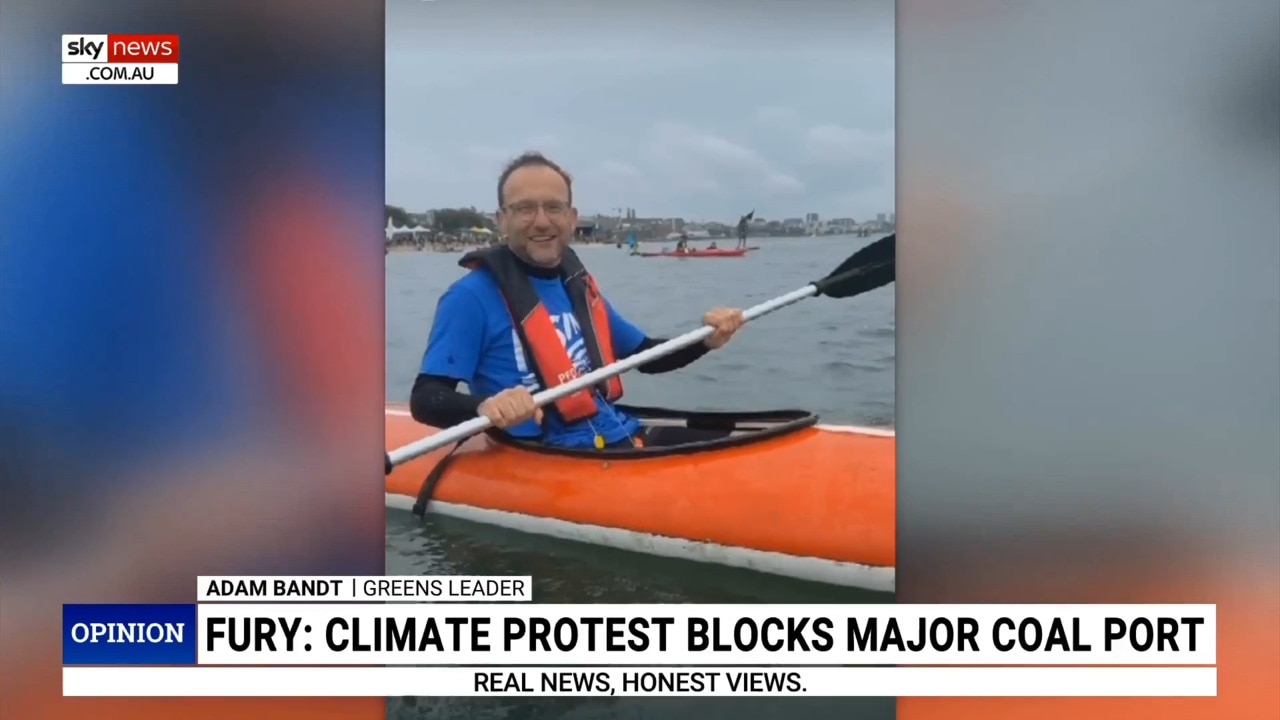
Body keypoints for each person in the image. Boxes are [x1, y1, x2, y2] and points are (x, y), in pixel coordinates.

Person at [410, 152, 746, 450]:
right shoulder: (469, 297)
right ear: (502, 220)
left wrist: (707, 340)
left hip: (612, 434)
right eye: (524, 208)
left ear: (571, 217)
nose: (542, 221)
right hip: (545, 451)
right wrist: (484, 406)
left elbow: (647, 355)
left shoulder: (576, 286)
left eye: (554, 207)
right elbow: (426, 399)